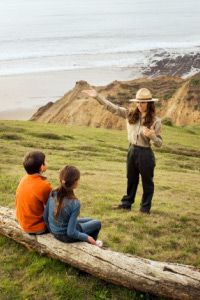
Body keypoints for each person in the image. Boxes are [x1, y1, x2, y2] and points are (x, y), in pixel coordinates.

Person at [83, 88, 162, 214]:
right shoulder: (130, 114)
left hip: (146, 153)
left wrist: (152, 136)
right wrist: (97, 97)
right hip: (132, 150)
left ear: (149, 103)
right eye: (138, 102)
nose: (139, 105)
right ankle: (126, 204)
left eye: (143, 102)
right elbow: (112, 107)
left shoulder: (156, 121)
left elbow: (159, 144)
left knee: (147, 182)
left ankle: (145, 208)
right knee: (131, 179)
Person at [44, 165, 102, 246]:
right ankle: (92, 244)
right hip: (65, 236)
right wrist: (87, 237)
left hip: (53, 231)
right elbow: (71, 232)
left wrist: (52, 230)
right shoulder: (75, 203)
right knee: (97, 223)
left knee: (90, 220)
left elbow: (45, 217)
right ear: (75, 182)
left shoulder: (53, 192)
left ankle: (89, 241)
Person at [16, 151, 52, 234]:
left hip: (23, 223)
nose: (47, 163)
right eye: (45, 161)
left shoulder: (24, 179)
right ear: (42, 167)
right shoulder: (44, 185)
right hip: (36, 227)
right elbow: (52, 207)